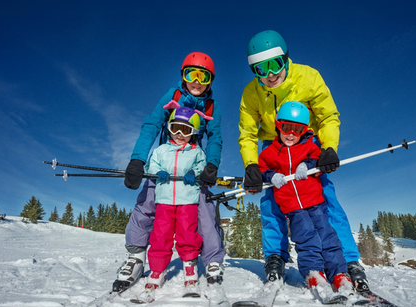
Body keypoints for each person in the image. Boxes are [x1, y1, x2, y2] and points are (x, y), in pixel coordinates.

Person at [238, 30, 368, 291]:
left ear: (285, 58)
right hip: (272, 148)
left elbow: (328, 116)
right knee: (272, 202)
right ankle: (275, 256)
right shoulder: (252, 92)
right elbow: (247, 133)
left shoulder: (308, 77)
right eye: (260, 70)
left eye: (274, 65)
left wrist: (328, 147)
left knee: (324, 199)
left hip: (307, 145)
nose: (269, 75)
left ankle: (349, 260)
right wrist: (252, 166)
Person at [115, 52, 225, 292]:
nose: (196, 81)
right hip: (164, 166)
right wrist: (138, 161)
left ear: (210, 81)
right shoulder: (172, 95)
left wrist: (211, 165)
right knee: (146, 204)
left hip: (192, 168)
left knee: (204, 210)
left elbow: (215, 137)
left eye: (203, 76)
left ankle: (213, 260)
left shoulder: (210, 105)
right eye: (191, 74)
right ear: (183, 76)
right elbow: (153, 124)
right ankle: (135, 257)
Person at [258, 101, 354, 294]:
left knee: (327, 236)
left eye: (298, 130)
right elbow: (261, 168)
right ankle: (314, 272)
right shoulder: (270, 152)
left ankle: (338, 273)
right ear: (278, 125)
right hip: (292, 207)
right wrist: (271, 176)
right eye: (286, 128)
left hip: (315, 203)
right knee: (306, 238)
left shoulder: (309, 146)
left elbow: (318, 159)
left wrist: (307, 165)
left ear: (304, 130)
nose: (291, 134)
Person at [145, 105, 207, 291]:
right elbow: (151, 165)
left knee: (187, 233)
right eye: (175, 128)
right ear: (169, 129)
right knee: (160, 234)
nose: (180, 134)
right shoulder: (161, 150)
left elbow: (202, 166)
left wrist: (193, 172)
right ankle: (157, 269)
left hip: (187, 200)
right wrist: (158, 172)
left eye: (186, 130)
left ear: (193, 133)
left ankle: (189, 265)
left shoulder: (196, 152)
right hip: (164, 200)